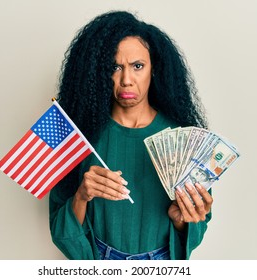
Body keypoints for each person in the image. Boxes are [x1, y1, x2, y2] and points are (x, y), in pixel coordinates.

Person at [49, 10, 213, 260]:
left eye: (138, 66)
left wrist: (182, 221)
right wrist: (82, 195)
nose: (126, 80)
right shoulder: (79, 135)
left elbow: (196, 227)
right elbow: (61, 227)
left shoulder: (183, 138)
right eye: (115, 67)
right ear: (99, 73)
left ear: (154, 69)